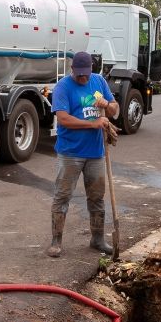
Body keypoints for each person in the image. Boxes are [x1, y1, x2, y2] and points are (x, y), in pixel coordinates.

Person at [47, 51, 120, 258]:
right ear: (72, 70)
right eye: (79, 74)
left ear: (91, 70)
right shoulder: (63, 87)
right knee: (62, 196)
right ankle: (56, 241)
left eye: (85, 74)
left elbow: (115, 109)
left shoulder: (98, 82)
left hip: (96, 153)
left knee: (97, 197)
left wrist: (107, 106)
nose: (83, 78)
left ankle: (97, 239)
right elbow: (63, 119)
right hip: (70, 152)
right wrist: (93, 123)